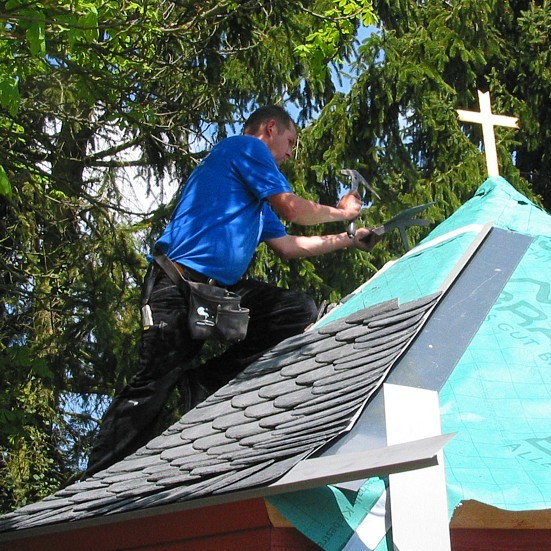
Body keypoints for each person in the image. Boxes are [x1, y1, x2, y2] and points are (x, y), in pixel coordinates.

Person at [84, 105, 379, 478]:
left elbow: (287, 245)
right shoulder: (245, 148)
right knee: (153, 384)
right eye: (290, 142)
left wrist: (348, 240)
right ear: (270, 129)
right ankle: (95, 479)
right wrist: (342, 213)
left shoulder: (255, 199)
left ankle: (204, 382)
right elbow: (292, 210)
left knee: (296, 311)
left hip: (215, 294)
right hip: (177, 286)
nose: (291, 153)